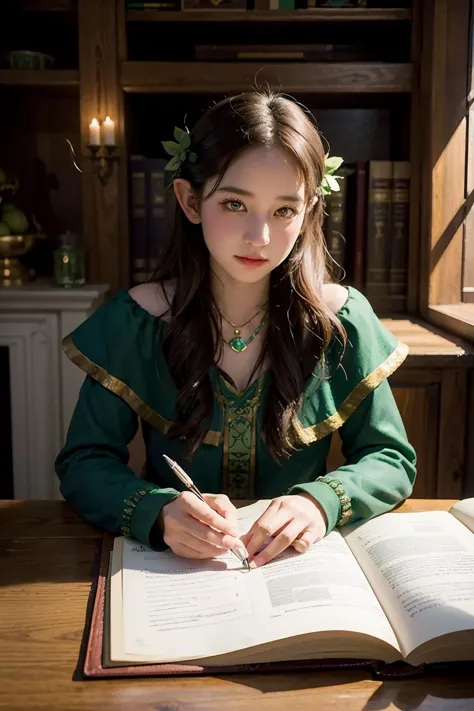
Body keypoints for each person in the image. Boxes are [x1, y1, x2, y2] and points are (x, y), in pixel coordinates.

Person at [55, 89, 416, 569]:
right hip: (173, 574)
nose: (259, 237)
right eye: (234, 204)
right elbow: (84, 463)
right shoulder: (136, 322)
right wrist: (157, 510)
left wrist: (320, 502)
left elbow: (391, 459)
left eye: (284, 210)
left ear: (308, 210)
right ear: (190, 200)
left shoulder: (341, 322)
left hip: (301, 574)